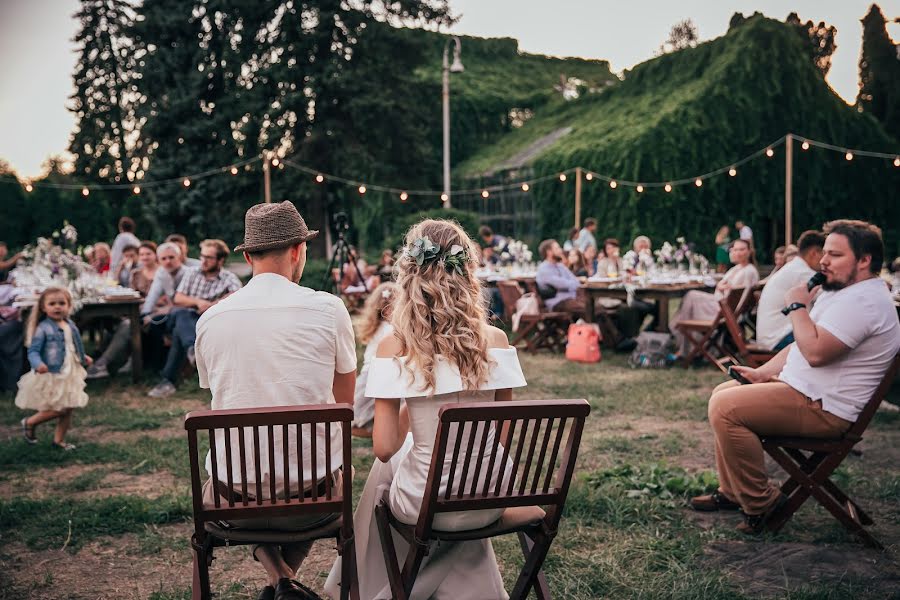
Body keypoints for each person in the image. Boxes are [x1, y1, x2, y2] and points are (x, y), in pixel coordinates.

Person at [324, 218, 527, 600]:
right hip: (492, 495)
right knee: (433, 473)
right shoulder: (497, 339)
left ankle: (367, 586)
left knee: (389, 470)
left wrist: (410, 406)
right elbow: (500, 434)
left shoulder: (395, 346)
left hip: (426, 504)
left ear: (409, 275)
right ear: (468, 272)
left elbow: (383, 447)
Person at [690, 220, 900, 534]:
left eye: (835, 255)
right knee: (724, 393)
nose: (824, 261)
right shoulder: (842, 291)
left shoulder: (864, 303)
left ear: (864, 260)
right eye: (825, 253)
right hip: (807, 391)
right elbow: (799, 346)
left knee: (727, 408)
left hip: (827, 408)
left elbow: (815, 353)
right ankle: (734, 492)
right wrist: (762, 373)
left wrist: (797, 305)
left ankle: (761, 504)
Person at [195, 201, 357, 600]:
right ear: (299, 250)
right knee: (340, 473)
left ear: (248, 256)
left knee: (223, 481)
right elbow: (345, 407)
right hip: (313, 501)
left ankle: (280, 579)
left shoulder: (211, 319)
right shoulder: (329, 308)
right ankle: (286, 581)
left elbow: (219, 392)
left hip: (236, 502)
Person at [147, 239, 241, 398]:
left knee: (179, 332)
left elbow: (237, 297)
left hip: (208, 322)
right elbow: (178, 298)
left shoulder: (228, 278)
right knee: (182, 314)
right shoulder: (192, 272)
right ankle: (192, 351)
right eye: (202, 256)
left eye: (209, 258)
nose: (203, 260)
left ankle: (168, 380)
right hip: (185, 316)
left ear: (220, 260)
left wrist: (212, 305)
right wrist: (198, 302)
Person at [16, 287, 92, 451]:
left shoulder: (70, 325)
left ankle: (59, 441)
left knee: (69, 408)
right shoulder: (43, 328)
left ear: (69, 306)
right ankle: (30, 422)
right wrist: (38, 364)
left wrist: (83, 357)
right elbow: (33, 351)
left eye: (62, 303)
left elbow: (73, 345)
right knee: (60, 408)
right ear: (44, 307)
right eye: (52, 304)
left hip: (69, 372)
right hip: (52, 373)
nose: (57, 307)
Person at [669, 239, 759, 356]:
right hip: (723, 307)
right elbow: (724, 288)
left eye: (742, 249)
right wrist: (722, 287)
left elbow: (740, 297)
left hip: (725, 311)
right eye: (735, 249)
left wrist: (724, 288)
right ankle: (683, 341)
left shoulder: (748, 271)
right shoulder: (736, 268)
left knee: (691, 295)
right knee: (692, 297)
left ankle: (679, 335)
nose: (738, 253)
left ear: (749, 252)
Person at [86, 241, 162, 379]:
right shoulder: (136, 273)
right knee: (115, 322)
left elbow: (163, 299)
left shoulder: (162, 272)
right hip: (136, 310)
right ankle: (106, 358)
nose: (145, 257)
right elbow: (131, 293)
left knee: (127, 325)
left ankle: (103, 363)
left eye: (148, 254)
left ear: (155, 255)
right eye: (142, 254)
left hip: (155, 313)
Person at [756, 231, 826, 351]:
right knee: (831, 337)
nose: (825, 260)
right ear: (814, 253)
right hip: (779, 337)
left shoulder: (795, 268)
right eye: (825, 254)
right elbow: (829, 297)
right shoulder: (801, 272)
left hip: (772, 335)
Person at [351, 282, 396, 436]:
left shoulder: (376, 328)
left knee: (359, 414)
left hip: (366, 377)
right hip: (379, 376)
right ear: (390, 310)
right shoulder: (391, 330)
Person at [536, 239, 583, 311]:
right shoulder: (544, 269)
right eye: (557, 248)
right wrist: (571, 284)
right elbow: (561, 284)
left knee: (597, 308)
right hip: (557, 302)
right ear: (549, 252)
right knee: (584, 308)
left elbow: (576, 282)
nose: (560, 250)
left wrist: (570, 284)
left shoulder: (561, 266)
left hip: (572, 299)